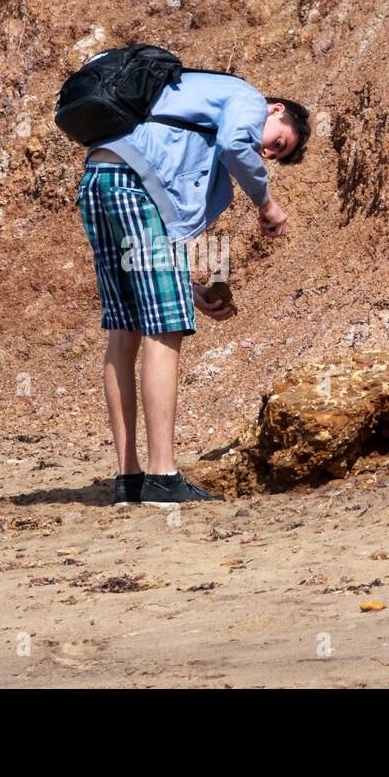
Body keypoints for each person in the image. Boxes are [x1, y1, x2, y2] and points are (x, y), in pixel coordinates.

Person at [73, 67, 310, 506]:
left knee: (124, 330)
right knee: (164, 328)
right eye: (277, 142)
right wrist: (266, 203)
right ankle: (163, 476)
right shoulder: (248, 97)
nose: (266, 153)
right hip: (134, 187)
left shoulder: (192, 100)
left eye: (275, 156)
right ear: (275, 110)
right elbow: (236, 144)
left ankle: (129, 480)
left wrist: (185, 286)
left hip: (100, 181)